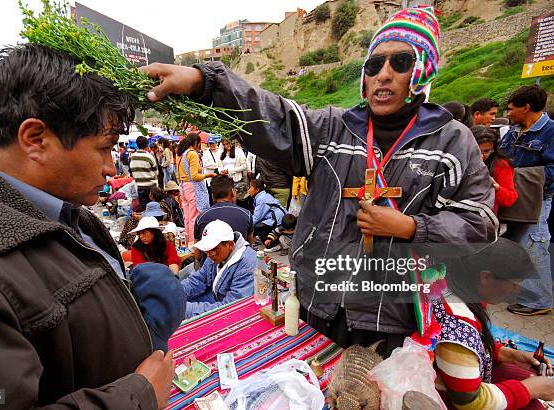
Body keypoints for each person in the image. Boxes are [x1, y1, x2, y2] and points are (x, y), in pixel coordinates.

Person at [141, 6, 496, 356]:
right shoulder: (332, 128)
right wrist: (206, 83)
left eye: (400, 63)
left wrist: (410, 227)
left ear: (422, 70)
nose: (383, 75)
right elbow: (273, 116)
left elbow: (479, 222)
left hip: (389, 315)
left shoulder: (450, 141)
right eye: (374, 65)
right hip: (317, 300)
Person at [0, 43, 177, 408]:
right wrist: (138, 396)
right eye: (104, 147)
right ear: (35, 140)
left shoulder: (63, 208)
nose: (112, 168)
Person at [433, 239, 554, 409]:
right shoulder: (458, 327)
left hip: (459, 380)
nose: (516, 290)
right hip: (448, 400)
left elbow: (474, 345)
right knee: (532, 399)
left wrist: (508, 354)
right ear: (486, 277)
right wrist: (530, 390)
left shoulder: (455, 288)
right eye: (514, 284)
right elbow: (469, 402)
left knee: (524, 376)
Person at [500, 85, 554, 316]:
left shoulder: (550, 133)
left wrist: (517, 177)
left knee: (533, 244)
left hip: (537, 199)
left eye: (512, 109)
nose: (508, 113)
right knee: (515, 244)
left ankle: (538, 300)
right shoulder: (514, 132)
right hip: (513, 198)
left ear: (527, 107)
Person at [181, 220, 256, 317]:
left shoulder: (247, 264)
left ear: (230, 245)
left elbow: (232, 307)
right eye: (206, 251)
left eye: (213, 250)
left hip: (236, 309)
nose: (208, 255)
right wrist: (175, 292)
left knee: (183, 311)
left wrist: (185, 309)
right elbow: (199, 279)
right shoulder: (213, 255)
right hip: (216, 297)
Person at [176, 133, 217, 242]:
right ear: (196, 143)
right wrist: (210, 175)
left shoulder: (180, 154)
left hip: (183, 186)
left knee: (187, 217)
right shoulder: (192, 154)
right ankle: (193, 242)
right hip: (192, 187)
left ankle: (188, 241)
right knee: (194, 217)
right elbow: (194, 176)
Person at [472, 125, 517, 214]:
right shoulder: (458, 160)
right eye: (477, 151)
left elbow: (509, 198)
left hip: (485, 216)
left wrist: (497, 188)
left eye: (486, 151)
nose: (481, 156)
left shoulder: (500, 165)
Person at [195, 175, 254, 243]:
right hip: (239, 253)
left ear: (212, 196)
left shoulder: (201, 218)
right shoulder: (247, 215)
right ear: (232, 192)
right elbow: (249, 246)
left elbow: (197, 248)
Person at [248, 178, 285, 243]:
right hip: (274, 217)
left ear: (257, 190)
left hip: (278, 220)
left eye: (250, 188)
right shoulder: (262, 195)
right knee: (251, 216)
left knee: (257, 226)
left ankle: (272, 245)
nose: (248, 190)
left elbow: (256, 218)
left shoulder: (262, 199)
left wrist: (244, 225)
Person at [131, 135, 159, 209]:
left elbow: (132, 171)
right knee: (153, 208)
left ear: (137, 145)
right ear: (147, 145)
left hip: (140, 186)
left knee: (144, 208)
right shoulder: (149, 157)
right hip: (151, 186)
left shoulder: (133, 157)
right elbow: (156, 173)